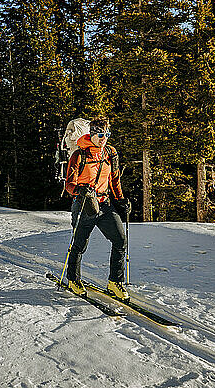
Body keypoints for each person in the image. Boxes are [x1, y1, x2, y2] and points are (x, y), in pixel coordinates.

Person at [64, 117, 131, 300]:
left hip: (105, 204)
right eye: (101, 134)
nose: (104, 138)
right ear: (92, 134)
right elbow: (69, 185)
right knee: (79, 245)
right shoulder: (79, 155)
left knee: (120, 240)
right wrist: (80, 189)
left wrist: (121, 200)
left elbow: (115, 180)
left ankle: (114, 282)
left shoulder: (110, 153)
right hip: (84, 204)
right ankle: (73, 280)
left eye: (107, 134)